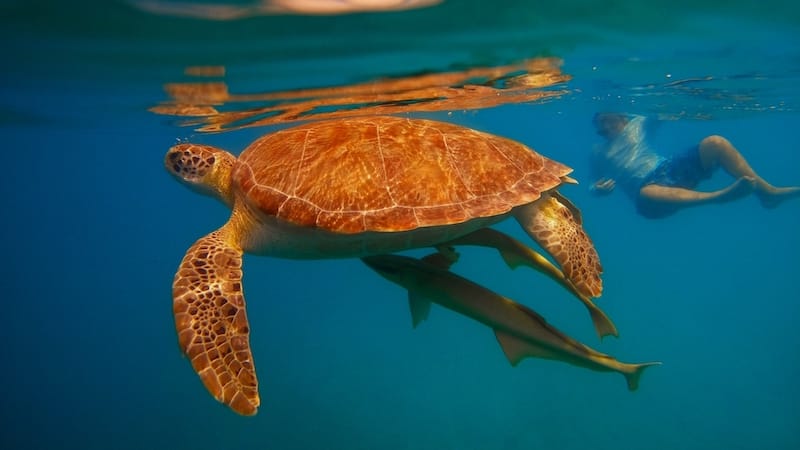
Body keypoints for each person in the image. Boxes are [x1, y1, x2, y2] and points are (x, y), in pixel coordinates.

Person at [589, 112, 800, 218]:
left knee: (715, 143)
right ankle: (720, 197)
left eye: (609, 121)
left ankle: (768, 192)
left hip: (669, 169)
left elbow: (669, 109)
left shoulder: (638, 122)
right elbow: (593, 183)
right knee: (646, 192)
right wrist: (598, 190)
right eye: (600, 127)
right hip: (648, 200)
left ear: (622, 118)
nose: (605, 127)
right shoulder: (598, 151)